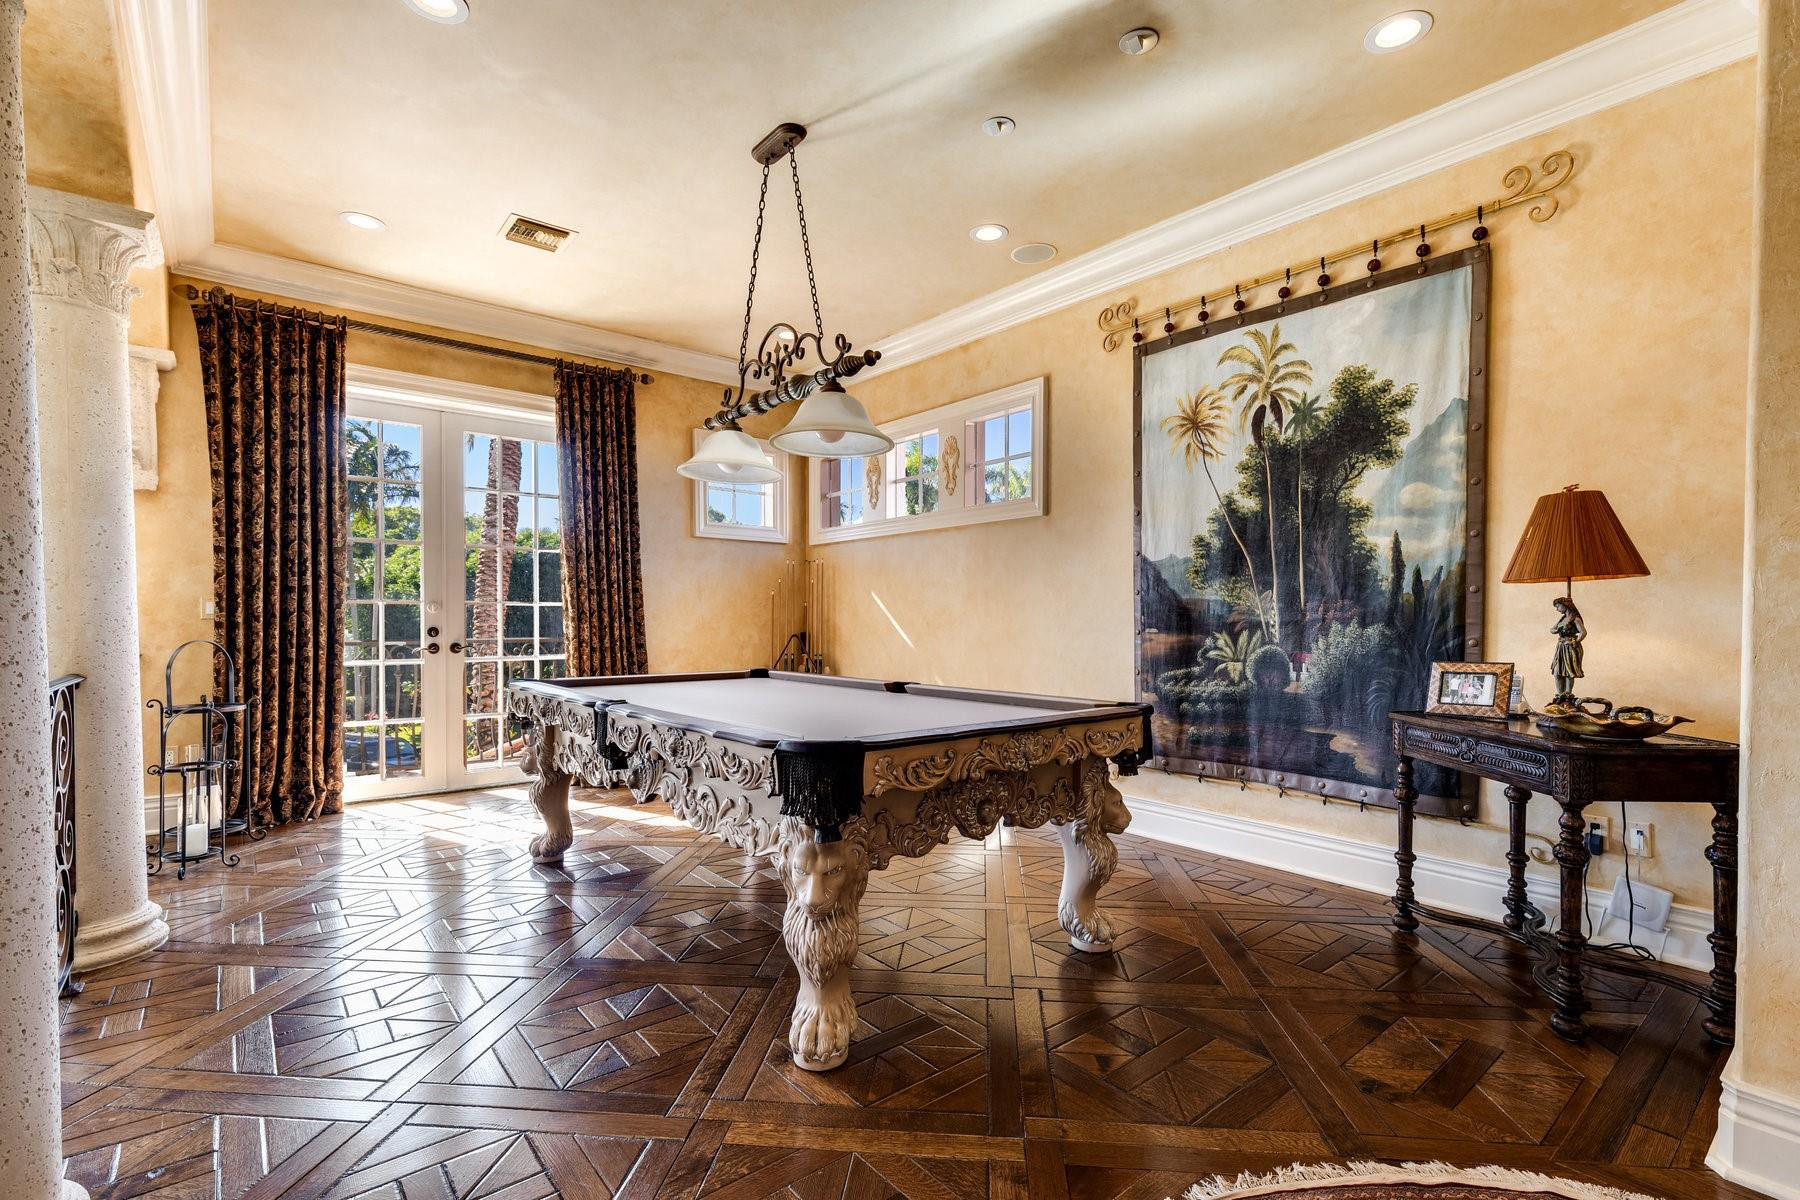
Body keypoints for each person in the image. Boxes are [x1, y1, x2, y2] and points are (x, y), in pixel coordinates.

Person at [1550, 595, 1587, 705]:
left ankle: (1567, 695)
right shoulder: (1562, 619)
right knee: (1557, 672)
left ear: (1565, 605)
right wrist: (1556, 630)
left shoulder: (1575, 619)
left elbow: (1583, 632)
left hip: (1570, 648)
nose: (1557, 609)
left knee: (1568, 672)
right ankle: (1560, 695)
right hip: (1560, 647)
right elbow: (1552, 629)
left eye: (1558, 606)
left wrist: (1574, 641)